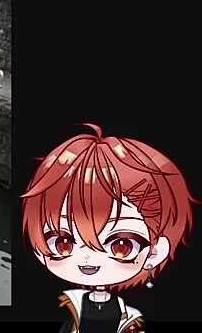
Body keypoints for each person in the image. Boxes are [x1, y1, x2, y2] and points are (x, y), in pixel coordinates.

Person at [22, 124, 197, 333]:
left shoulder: (130, 315)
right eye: (63, 243)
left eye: (121, 246)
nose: (87, 257)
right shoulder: (72, 303)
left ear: (155, 253)